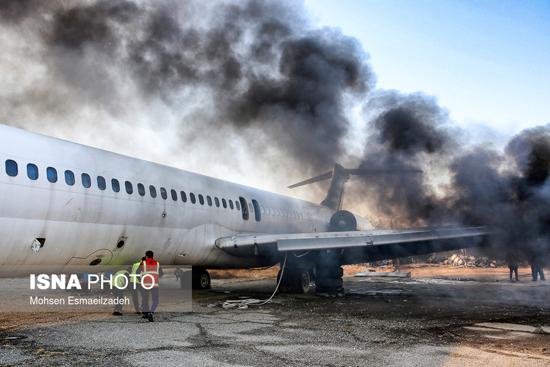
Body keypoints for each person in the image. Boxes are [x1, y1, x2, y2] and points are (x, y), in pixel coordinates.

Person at [136, 251, 164, 322]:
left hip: (145, 284)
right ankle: (151, 312)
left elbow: (137, 272)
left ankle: (146, 314)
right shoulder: (157, 264)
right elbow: (161, 273)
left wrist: (140, 279)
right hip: (154, 284)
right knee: (155, 300)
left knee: (145, 299)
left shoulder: (143, 263)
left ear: (146, 256)